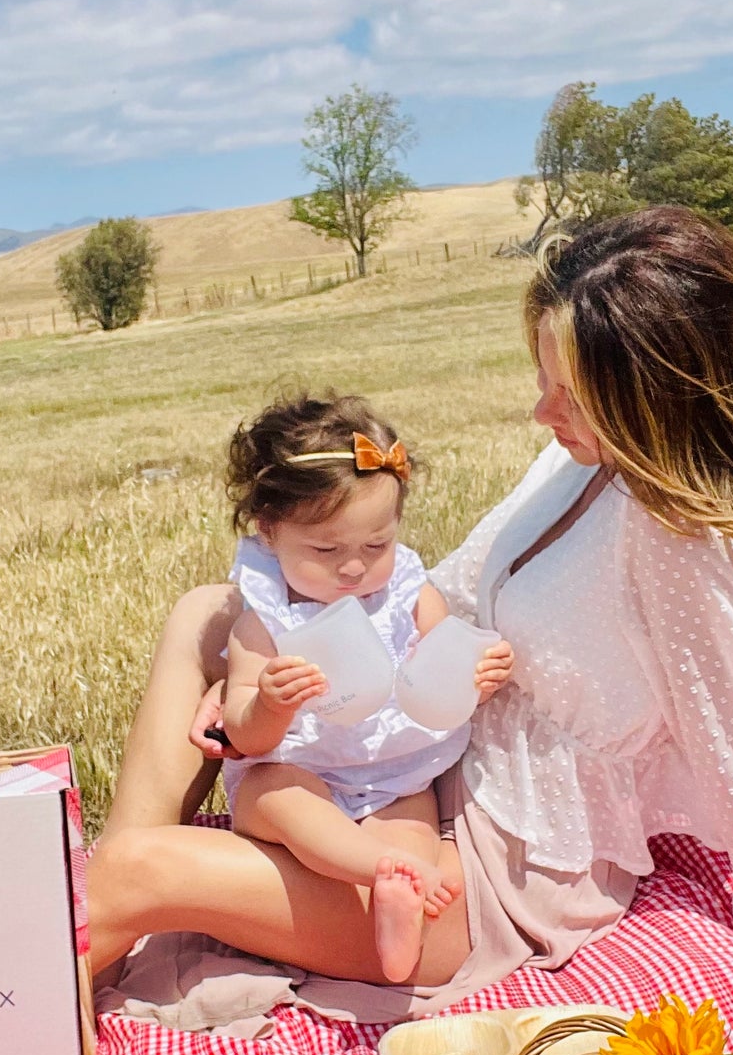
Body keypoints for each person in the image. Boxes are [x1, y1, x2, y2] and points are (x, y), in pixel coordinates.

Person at [87, 206, 733, 1007]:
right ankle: (97, 936)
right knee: (207, 610)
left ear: (655, 396)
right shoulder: (575, 463)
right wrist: (257, 665)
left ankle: (68, 968)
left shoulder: (678, 537)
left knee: (134, 872)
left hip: (499, 873)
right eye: (545, 381)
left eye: (570, 393)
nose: (540, 412)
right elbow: (436, 588)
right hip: (432, 760)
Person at [217, 392, 513, 981]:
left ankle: (398, 900)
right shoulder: (266, 619)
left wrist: (476, 676)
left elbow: (442, 667)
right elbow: (243, 735)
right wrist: (272, 702)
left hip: (393, 772)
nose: (354, 568)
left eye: (376, 545)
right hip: (301, 769)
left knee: (413, 819)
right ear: (269, 531)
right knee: (272, 796)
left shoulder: (406, 593)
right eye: (326, 550)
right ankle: (383, 869)